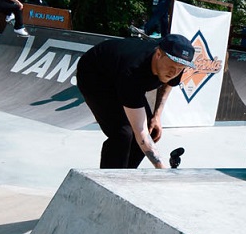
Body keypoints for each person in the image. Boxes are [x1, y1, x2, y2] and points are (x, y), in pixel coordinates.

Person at [76, 33, 195, 169]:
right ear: (158, 55)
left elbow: (170, 84)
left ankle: (126, 173)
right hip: (96, 74)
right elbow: (140, 131)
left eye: (180, 69)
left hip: (120, 74)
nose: (174, 72)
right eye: (171, 67)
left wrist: (157, 116)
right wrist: (162, 169)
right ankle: (109, 180)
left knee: (151, 130)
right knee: (123, 133)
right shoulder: (133, 71)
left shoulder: (174, 67)